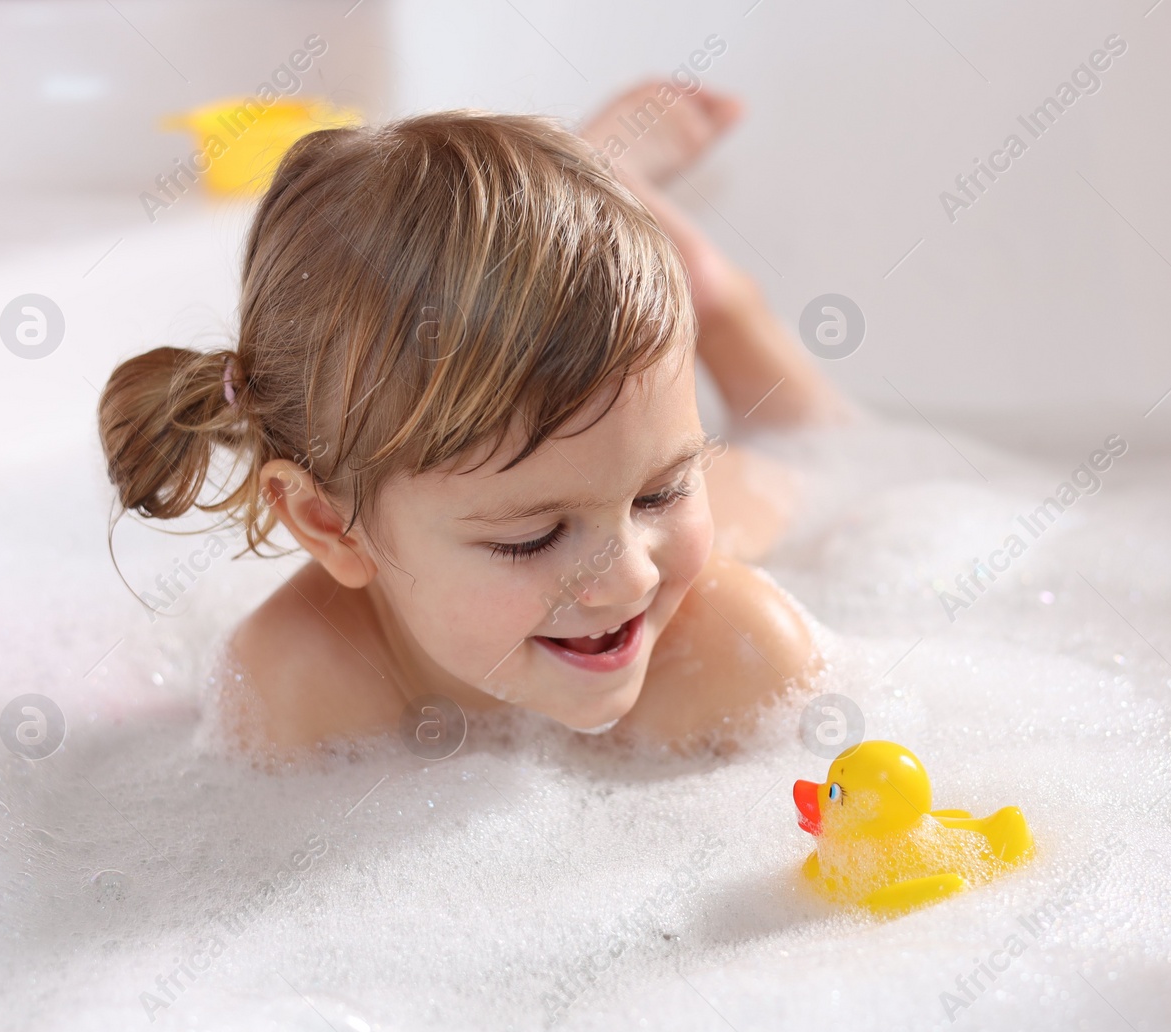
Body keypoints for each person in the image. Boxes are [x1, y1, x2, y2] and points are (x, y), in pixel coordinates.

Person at [97, 81, 849, 753]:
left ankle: (714, 301)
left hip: (774, 495)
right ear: (328, 523)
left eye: (665, 492)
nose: (625, 580)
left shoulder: (741, 662)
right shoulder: (296, 689)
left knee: (812, 437)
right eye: (531, 538)